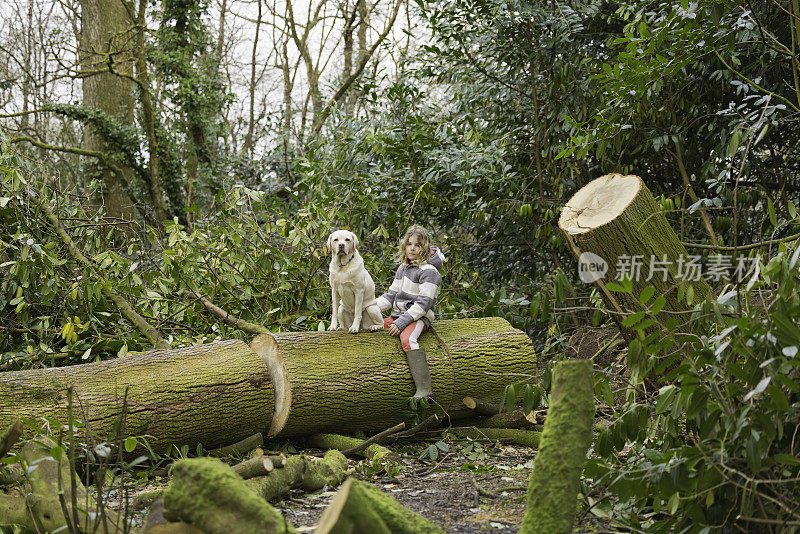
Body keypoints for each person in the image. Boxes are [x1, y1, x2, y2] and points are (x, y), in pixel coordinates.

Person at [376, 225, 445, 400]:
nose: (412, 248)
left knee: (408, 339)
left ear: (425, 247)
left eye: (417, 245)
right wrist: (370, 307)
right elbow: (391, 295)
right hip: (398, 314)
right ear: (404, 246)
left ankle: (425, 389)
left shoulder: (430, 271)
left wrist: (402, 322)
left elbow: (424, 303)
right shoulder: (403, 268)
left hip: (419, 317)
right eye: (409, 244)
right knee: (374, 325)